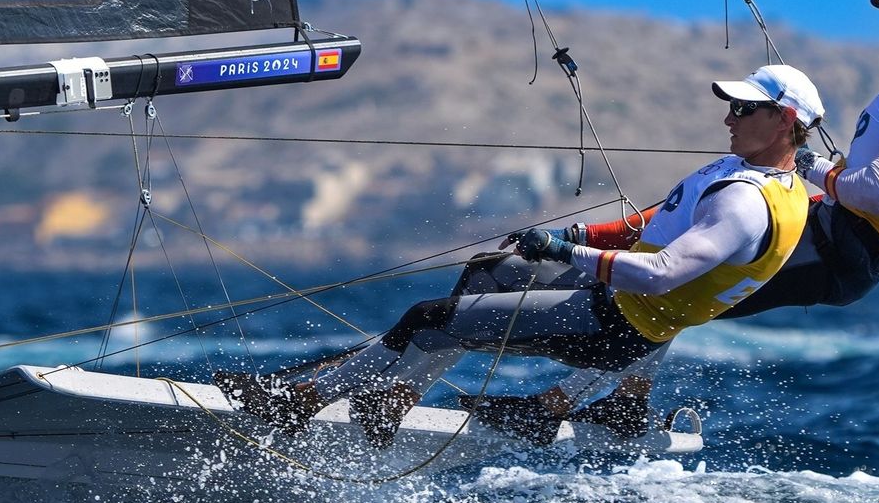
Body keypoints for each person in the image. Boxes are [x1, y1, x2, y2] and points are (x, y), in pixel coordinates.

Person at [510, 0, 879, 440]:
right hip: (846, 241)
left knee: (678, 279)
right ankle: (625, 402)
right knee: (691, 249)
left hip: (840, 246)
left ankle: (562, 404)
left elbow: (878, 193)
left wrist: (814, 169)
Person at [217, 64, 825, 447]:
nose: (729, 115)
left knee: (425, 319)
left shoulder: (747, 204)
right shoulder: (752, 173)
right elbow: (658, 224)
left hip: (615, 326)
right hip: (608, 298)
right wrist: (583, 235)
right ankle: (392, 398)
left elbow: (664, 273)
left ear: (785, 120)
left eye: (745, 109)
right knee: (490, 273)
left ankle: (300, 404)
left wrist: (562, 252)